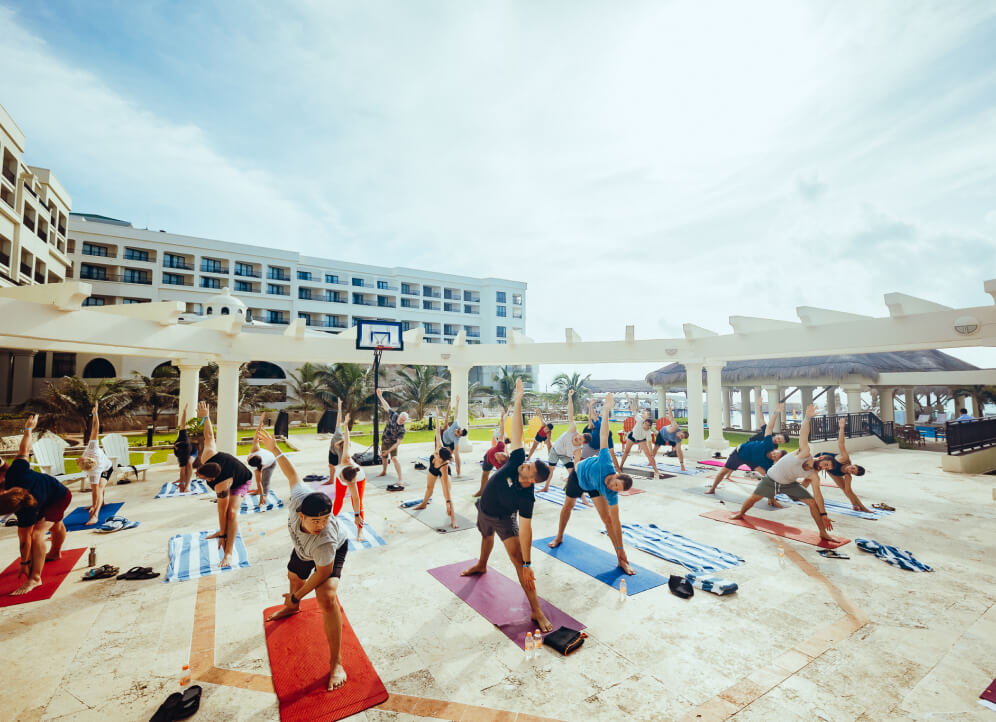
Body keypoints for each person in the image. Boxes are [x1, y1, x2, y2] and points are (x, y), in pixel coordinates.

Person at [259, 428, 350, 692]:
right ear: (302, 515)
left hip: (332, 551)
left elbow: (321, 574)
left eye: (325, 519)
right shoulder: (299, 498)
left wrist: (299, 595)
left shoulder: (325, 539)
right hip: (302, 548)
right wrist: (275, 448)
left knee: (326, 597)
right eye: (315, 520)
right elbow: (292, 472)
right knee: (294, 576)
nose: (321, 524)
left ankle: (336, 663)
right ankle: (291, 608)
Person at [461, 378, 554, 631]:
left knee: (518, 563)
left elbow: (526, 530)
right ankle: (482, 565)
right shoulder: (515, 461)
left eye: (527, 468)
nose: (523, 464)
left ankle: (536, 610)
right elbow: (516, 432)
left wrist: (527, 562)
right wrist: (518, 400)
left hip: (504, 519)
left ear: (532, 479)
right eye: (526, 463)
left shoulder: (527, 497)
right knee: (485, 536)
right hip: (483, 508)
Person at [547, 393, 637, 574]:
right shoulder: (606, 462)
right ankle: (559, 536)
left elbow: (616, 522)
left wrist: (622, 550)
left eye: (616, 490)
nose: (612, 488)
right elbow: (604, 434)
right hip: (578, 476)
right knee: (567, 507)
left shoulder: (610, 492)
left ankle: (620, 560)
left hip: (593, 487)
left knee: (608, 520)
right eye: (615, 484)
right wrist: (605, 410)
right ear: (616, 475)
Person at [732, 405, 842, 543]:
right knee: (754, 498)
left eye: (827, 468)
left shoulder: (814, 475)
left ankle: (822, 532)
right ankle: (741, 513)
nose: (823, 468)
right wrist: (807, 418)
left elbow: (818, 495)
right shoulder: (805, 453)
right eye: (825, 464)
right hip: (771, 480)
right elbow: (803, 434)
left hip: (789, 484)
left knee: (812, 502)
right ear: (820, 458)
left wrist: (824, 514)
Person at [0, 415, 72, 595]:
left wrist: (25, 564)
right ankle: (55, 552)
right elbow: (25, 448)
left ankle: (35, 578)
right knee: (56, 523)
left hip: (60, 496)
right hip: (47, 490)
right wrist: (28, 428)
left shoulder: (27, 512)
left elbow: (25, 540)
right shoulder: (15, 473)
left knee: (37, 534)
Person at [194, 401, 254, 568]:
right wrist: (205, 417)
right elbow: (209, 436)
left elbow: (222, 511)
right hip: (229, 475)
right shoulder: (208, 455)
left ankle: (228, 553)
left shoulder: (222, 485)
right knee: (227, 515)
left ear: (212, 480)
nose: (198, 476)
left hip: (241, 480)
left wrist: (222, 535)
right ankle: (224, 533)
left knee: (231, 514)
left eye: (202, 478)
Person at [707, 399, 788, 501]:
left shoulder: (774, 449)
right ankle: (713, 488)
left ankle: (771, 498)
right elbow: (767, 425)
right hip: (742, 452)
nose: (778, 441)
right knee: (724, 470)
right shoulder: (768, 439)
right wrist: (771, 410)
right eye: (779, 439)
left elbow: (772, 471)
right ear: (778, 435)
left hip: (753, 459)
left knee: (767, 475)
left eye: (780, 442)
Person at [812, 418, 870, 512]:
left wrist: (859, 505)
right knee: (808, 477)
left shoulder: (848, 477)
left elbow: (848, 491)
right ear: (854, 464)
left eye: (852, 472)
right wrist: (842, 428)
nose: (850, 470)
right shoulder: (844, 458)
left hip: (830, 470)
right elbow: (841, 444)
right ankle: (798, 494)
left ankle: (856, 506)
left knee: (845, 489)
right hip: (820, 459)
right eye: (853, 468)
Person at [412, 409, 457, 528]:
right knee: (429, 488)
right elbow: (438, 432)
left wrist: (447, 503)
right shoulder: (440, 449)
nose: (435, 454)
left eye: (437, 455)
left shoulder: (444, 467)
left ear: (442, 459)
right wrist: (437, 416)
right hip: (433, 468)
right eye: (436, 453)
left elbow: (447, 493)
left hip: (442, 472)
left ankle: (453, 520)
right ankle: (423, 504)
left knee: (448, 494)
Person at [540, 389, 590, 493]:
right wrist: (570, 397)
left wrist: (576, 478)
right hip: (555, 450)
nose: (578, 438)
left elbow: (576, 465)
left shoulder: (578, 451)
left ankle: (571, 486)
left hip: (565, 455)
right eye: (580, 436)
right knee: (551, 469)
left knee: (571, 471)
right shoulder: (573, 430)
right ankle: (546, 487)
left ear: (583, 443)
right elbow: (570, 414)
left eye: (580, 440)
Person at [330, 415, 368, 541]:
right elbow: (346, 441)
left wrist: (356, 515)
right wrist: (345, 425)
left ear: (348, 481)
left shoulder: (352, 482)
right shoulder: (345, 458)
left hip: (360, 479)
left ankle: (360, 532)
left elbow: (356, 499)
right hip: (348, 473)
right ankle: (330, 523)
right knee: (338, 499)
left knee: (357, 503)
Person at [77, 401, 114, 525]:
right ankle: (100, 503)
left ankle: (96, 515)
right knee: (97, 489)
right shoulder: (91, 448)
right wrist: (95, 414)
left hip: (107, 468)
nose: (78, 461)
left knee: (99, 487)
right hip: (101, 464)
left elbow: (94, 491)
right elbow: (95, 429)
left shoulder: (94, 471)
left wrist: (93, 506)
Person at [618, 394, 660, 477]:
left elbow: (649, 443)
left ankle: (656, 471)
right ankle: (620, 466)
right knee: (626, 452)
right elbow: (633, 410)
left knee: (649, 455)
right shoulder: (640, 420)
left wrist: (651, 452)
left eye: (648, 425)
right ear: (643, 422)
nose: (646, 426)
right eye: (645, 424)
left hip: (641, 440)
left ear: (649, 426)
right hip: (632, 437)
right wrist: (628, 400)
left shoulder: (648, 432)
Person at [375, 389, 409, 483]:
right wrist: (380, 396)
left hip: (393, 444)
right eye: (401, 418)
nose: (401, 421)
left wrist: (389, 451)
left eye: (403, 420)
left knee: (394, 459)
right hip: (385, 439)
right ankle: (384, 471)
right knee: (383, 457)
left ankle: (400, 478)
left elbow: (398, 443)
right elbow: (386, 406)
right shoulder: (393, 415)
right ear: (399, 416)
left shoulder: (402, 429)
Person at [476, 410, 508, 497]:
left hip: (490, 461)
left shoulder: (500, 467)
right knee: (484, 474)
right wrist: (501, 418)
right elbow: (502, 432)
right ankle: (481, 491)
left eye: (498, 457)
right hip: (487, 457)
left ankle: (489, 493)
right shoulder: (501, 446)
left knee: (494, 480)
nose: (497, 454)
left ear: (500, 462)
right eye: (500, 454)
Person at [651, 401, 688, 471]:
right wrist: (668, 405)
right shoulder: (675, 427)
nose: (680, 437)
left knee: (678, 449)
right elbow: (671, 417)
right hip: (662, 434)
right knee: (656, 448)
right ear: (681, 431)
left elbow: (679, 452)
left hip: (669, 439)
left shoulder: (679, 439)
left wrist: (682, 465)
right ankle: (651, 461)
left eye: (682, 438)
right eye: (681, 435)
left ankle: (682, 465)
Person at [247, 416, 277, 498]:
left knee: (265, 482)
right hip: (267, 460)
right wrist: (260, 423)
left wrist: (261, 498)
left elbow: (259, 483)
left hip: (272, 463)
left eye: (250, 456)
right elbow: (257, 435)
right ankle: (258, 491)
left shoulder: (257, 469)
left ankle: (265, 497)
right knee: (261, 483)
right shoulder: (255, 450)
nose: (249, 455)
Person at [441, 396, 469, 476]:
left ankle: (451, 459)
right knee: (447, 455)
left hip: (450, 443)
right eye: (459, 429)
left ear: (459, 436)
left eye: (458, 431)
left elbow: (457, 455)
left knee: (454, 454)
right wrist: (457, 402)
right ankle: (450, 457)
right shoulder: (456, 425)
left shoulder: (456, 440)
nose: (457, 429)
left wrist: (458, 472)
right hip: (444, 439)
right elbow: (456, 413)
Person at [172, 403, 197, 493]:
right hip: (183, 454)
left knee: (189, 463)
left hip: (193, 451)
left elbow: (183, 424)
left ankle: (188, 484)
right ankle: (182, 481)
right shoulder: (178, 452)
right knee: (183, 468)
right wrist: (182, 483)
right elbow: (182, 469)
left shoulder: (184, 438)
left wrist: (184, 412)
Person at [326, 397, 345, 484]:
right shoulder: (338, 433)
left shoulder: (343, 451)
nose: (336, 444)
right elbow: (339, 419)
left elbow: (342, 465)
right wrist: (339, 406)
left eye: (337, 445)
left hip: (339, 455)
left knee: (342, 468)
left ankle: (344, 481)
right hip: (332, 451)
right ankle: (331, 480)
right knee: (331, 465)